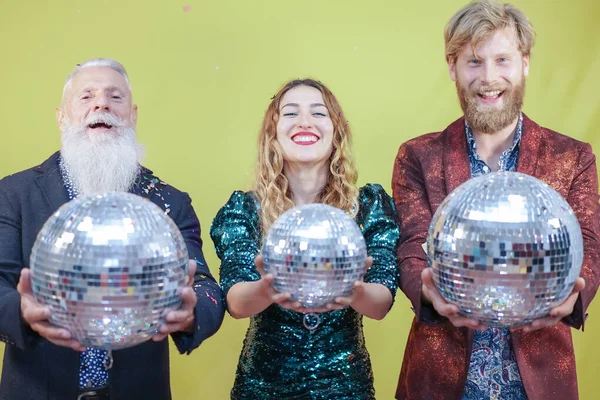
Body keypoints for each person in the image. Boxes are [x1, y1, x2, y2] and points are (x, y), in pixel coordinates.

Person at [392, 1, 600, 399]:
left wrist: (575, 292)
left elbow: (588, 241)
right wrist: (427, 290)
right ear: (452, 67)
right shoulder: (418, 156)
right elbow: (412, 244)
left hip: (538, 380)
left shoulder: (572, 156)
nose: (488, 78)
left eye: (501, 59)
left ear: (524, 63)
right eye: (473, 62)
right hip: (441, 378)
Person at [0, 58, 225, 400]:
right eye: (86, 96)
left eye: (114, 97)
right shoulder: (14, 193)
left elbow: (206, 288)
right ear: (63, 117)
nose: (101, 104)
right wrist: (22, 312)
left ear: (132, 116)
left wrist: (192, 312)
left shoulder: (169, 201)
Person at [210, 78, 399, 399]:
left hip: (345, 386)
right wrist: (267, 288)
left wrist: (352, 289)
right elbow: (237, 302)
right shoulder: (244, 209)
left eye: (319, 113)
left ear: (336, 131)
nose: (305, 122)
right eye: (290, 113)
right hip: (263, 386)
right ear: (273, 132)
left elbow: (380, 304)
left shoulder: (369, 205)